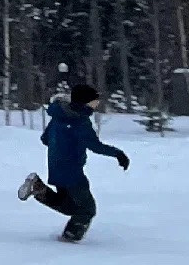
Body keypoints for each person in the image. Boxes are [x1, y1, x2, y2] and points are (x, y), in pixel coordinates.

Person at [19, 82, 127, 243]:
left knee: (69, 206)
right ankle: (69, 239)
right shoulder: (81, 122)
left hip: (56, 169)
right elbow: (95, 146)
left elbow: (45, 139)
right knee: (87, 210)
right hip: (73, 173)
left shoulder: (58, 116)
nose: (96, 104)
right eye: (94, 101)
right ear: (85, 102)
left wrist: (62, 144)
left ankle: (38, 188)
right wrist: (118, 154)